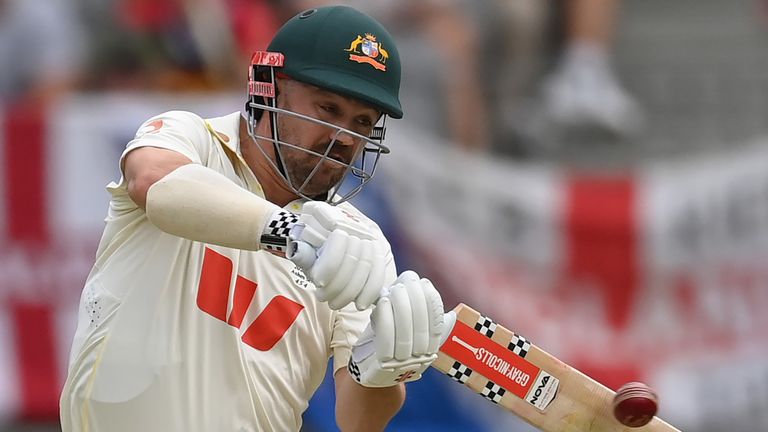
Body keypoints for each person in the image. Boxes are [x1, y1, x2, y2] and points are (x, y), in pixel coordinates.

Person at [59, 6, 452, 431]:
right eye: (327, 109)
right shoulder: (192, 140)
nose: (343, 137)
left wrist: (384, 367)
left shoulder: (359, 238)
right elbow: (151, 180)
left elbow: (357, 421)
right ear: (270, 90)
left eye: (361, 122)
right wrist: (290, 233)